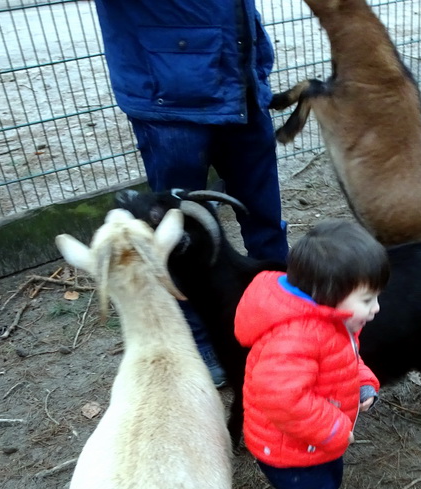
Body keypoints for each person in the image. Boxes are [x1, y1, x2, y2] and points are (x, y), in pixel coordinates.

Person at [93, 0, 290, 385]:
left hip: (240, 81)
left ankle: (285, 319)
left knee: (265, 221)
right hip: (171, 98)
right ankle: (202, 340)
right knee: (179, 236)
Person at [234, 220, 390, 489]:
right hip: (289, 451)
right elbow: (283, 398)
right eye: (368, 300)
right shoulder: (295, 337)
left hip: (313, 445)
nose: (376, 308)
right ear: (328, 294)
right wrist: (334, 431)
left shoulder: (330, 320)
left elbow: (344, 360)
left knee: (329, 475)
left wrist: (363, 381)